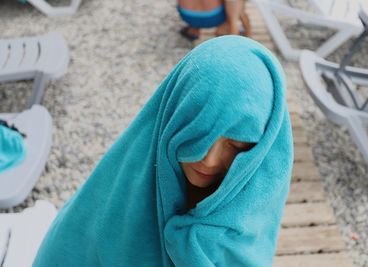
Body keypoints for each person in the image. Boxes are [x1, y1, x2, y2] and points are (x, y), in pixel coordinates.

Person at [33, 36, 293, 266]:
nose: (209, 160)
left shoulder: (255, 194)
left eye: (236, 146)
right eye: (197, 134)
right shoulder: (120, 203)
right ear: (174, 116)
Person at [178, 0, 251, 41]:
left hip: (187, 15)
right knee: (238, 9)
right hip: (213, 17)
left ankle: (193, 30)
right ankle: (234, 31)